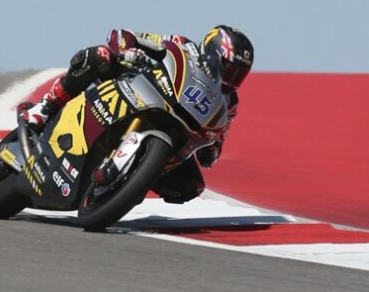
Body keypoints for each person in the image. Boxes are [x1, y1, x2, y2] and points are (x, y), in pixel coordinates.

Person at [19, 25, 254, 203]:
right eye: (228, 69)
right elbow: (125, 35)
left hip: (176, 130)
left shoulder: (228, 103)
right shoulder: (184, 47)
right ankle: (46, 107)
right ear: (210, 52)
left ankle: (130, 181)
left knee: (190, 186)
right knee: (100, 56)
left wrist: (212, 149)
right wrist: (129, 50)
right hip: (138, 87)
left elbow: (217, 143)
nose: (230, 79)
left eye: (238, 75)